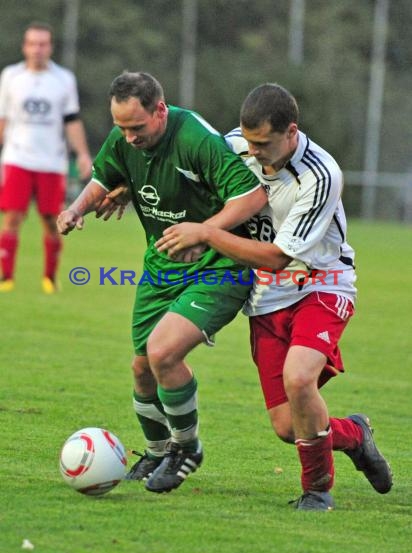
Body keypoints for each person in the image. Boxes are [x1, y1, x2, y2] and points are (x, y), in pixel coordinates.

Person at [156, 83, 393, 510]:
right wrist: (122, 188)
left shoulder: (321, 175)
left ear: (291, 132)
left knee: (300, 378)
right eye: (249, 142)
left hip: (321, 284)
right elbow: (186, 170)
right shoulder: (234, 146)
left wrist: (207, 233)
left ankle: (316, 490)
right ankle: (355, 435)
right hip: (266, 298)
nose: (254, 151)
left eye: (263, 143)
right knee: (289, 426)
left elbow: (278, 257)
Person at [57, 71, 267, 493]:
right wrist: (77, 207)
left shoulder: (196, 139)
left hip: (218, 266)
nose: (128, 137)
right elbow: (103, 175)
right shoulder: (124, 138)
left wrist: (203, 231)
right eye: (120, 128)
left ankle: (186, 447)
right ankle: (156, 452)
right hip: (161, 265)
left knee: (163, 352)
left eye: (136, 127)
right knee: (141, 369)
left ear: (160, 110)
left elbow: (252, 196)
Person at [0, 22, 92, 293]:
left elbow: (72, 120)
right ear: (24, 46)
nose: (37, 49)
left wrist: (83, 153)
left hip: (52, 161)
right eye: (32, 43)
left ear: (50, 47)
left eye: (42, 44)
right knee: (13, 217)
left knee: (52, 221)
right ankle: (6, 277)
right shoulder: (11, 76)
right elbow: (3, 119)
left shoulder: (63, 79)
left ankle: (50, 278)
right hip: (17, 158)